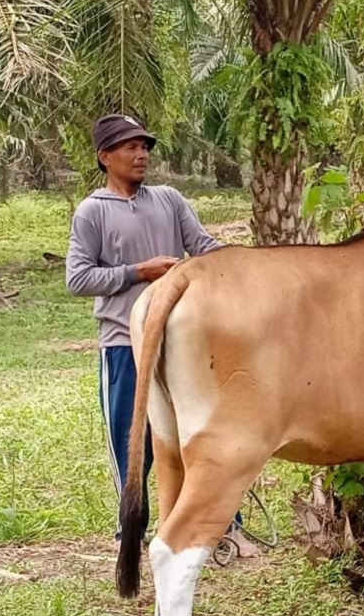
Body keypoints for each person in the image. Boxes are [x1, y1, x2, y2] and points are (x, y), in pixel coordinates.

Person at [65, 114, 258, 558]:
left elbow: (203, 246)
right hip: (122, 344)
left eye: (145, 146)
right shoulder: (93, 211)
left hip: (182, 345)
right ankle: (129, 532)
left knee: (199, 434)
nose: (141, 154)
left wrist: (251, 262)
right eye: (130, 147)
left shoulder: (169, 199)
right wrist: (138, 272)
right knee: (132, 441)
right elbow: (77, 278)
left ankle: (222, 527)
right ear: (105, 157)